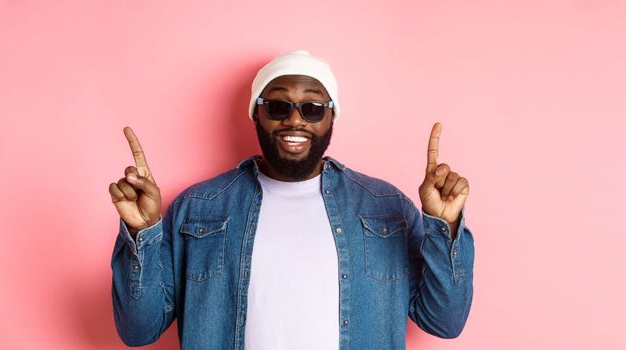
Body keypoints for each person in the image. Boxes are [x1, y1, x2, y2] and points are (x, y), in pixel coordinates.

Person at [108, 50, 473, 349]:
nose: (294, 121)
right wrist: (143, 232)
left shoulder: (385, 207)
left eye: (312, 109)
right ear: (257, 113)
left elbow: (443, 321)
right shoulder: (198, 207)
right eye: (278, 107)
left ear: (331, 117)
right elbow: (138, 331)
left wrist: (445, 226)